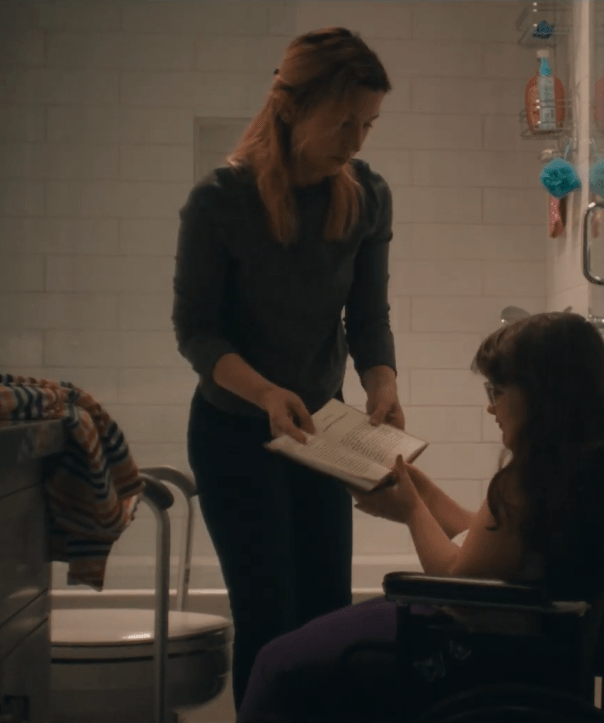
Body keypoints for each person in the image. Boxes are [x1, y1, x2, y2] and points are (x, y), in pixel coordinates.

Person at [236, 311, 604, 722]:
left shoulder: (529, 479)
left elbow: (454, 580)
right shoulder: (589, 469)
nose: (490, 407)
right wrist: (421, 490)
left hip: (468, 648)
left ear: (543, 397)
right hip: (532, 645)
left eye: (497, 392)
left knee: (277, 664)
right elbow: (489, 545)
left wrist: (411, 510)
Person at [171, 27, 403, 712]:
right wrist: (267, 392)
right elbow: (196, 332)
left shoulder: (368, 195)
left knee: (326, 616)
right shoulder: (219, 200)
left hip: (321, 430)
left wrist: (383, 383)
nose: (356, 141)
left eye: (369, 124)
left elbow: (368, 316)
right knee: (268, 616)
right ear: (292, 106)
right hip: (234, 429)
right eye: (344, 121)